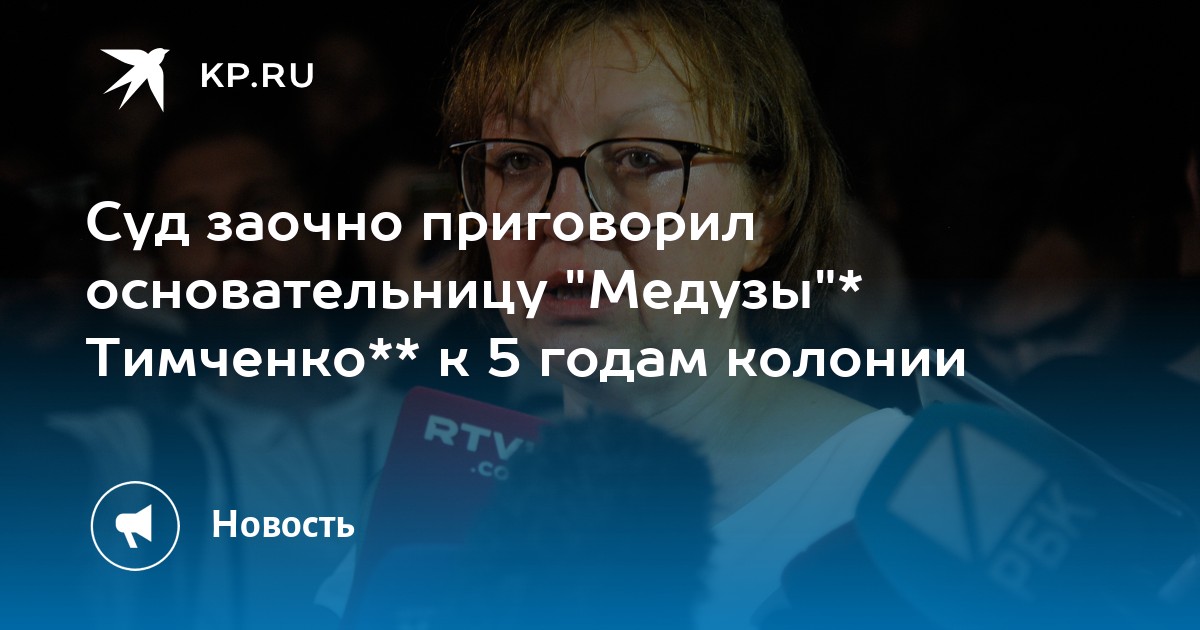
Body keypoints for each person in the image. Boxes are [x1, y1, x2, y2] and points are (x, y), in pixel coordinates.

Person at [440, 1, 912, 627]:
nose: (565, 216)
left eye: (641, 159)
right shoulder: (443, 506)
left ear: (765, 213)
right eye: (518, 161)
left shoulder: (905, 511)